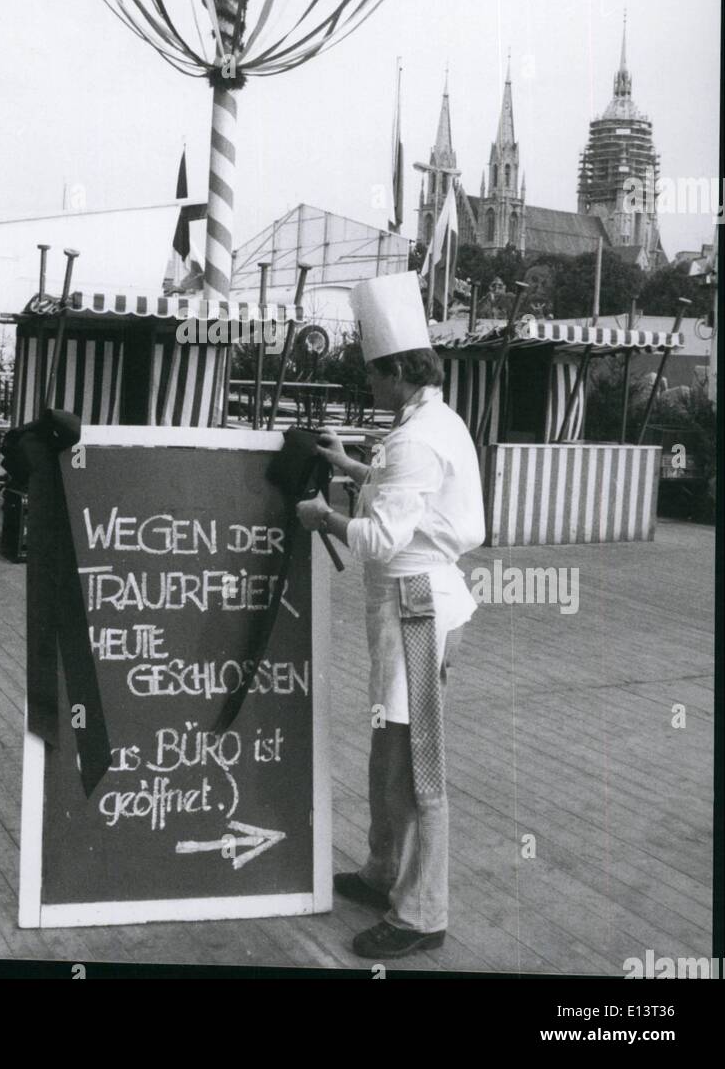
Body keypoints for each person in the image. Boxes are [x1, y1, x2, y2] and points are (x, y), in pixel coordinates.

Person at [295, 271, 485, 960]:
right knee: (388, 751)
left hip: (419, 608)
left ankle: (421, 912)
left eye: (373, 376)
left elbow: (379, 537)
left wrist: (325, 516)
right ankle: (383, 872)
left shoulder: (413, 440)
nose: (368, 388)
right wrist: (352, 466)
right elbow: (405, 494)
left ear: (399, 371)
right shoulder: (432, 421)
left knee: (417, 765)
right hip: (411, 605)